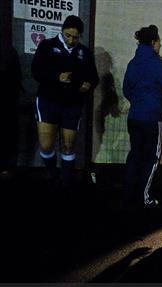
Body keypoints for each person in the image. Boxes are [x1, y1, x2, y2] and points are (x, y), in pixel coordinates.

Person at [31, 15, 99, 190]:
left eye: (75, 37)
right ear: (62, 31)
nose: (71, 40)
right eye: (68, 35)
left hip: (72, 104)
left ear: (80, 36)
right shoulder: (47, 46)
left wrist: (88, 85)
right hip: (48, 101)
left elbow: (94, 78)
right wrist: (56, 77)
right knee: (46, 145)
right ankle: (53, 174)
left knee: (68, 145)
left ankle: (66, 182)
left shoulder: (84, 52)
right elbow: (36, 71)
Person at [122, 24, 162, 208]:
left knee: (135, 155)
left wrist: (138, 102)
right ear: (153, 42)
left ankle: (129, 194)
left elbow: (126, 90)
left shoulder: (133, 63)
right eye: (159, 43)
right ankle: (144, 197)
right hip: (152, 119)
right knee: (152, 158)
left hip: (134, 117)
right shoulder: (159, 64)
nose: (160, 46)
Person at [0, 44, 22, 177]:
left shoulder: (8, 51)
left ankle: (5, 166)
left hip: (7, 98)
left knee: (6, 133)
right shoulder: (8, 50)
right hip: (8, 98)